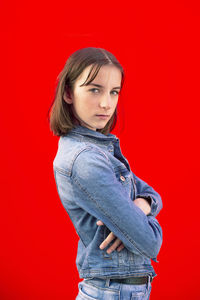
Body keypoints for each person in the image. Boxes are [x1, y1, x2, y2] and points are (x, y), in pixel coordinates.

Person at [48, 47, 163, 300]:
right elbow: (150, 242)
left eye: (114, 92)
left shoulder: (100, 150)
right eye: (94, 89)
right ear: (68, 92)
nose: (106, 103)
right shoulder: (85, 160)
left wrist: (140, 206)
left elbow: (152, 194)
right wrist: (141, 222)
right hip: (110, 292)